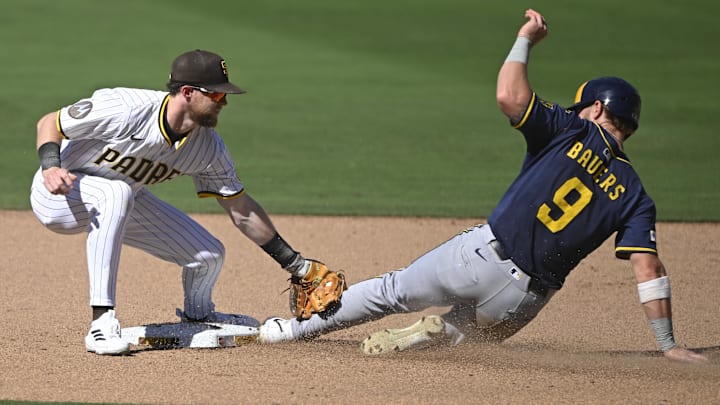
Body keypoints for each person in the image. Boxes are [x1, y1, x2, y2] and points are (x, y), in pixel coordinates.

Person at [257, 9, 708, 364]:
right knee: (468, 335)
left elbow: (509, 98)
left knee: (390, 291)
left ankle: (292, 331)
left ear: (593, 108)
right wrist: (667, 344)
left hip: (478, 261)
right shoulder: (636, 196)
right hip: (522, 303)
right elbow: (648, 270)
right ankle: (434, 334)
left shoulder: (573, 129)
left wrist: (525, 39)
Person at [31, 50, 328, 355]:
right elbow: (49, 123)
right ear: (187, 92)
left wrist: (297, 264)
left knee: (209, 255)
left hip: (120, 202)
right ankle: (101, 323)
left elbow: (241, 210)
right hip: (58, 194)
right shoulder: (124, 107)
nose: (223, 101)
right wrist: (51, 167)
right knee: (115, 192)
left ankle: (198, 314)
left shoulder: (207, 148)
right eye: (215, 93)